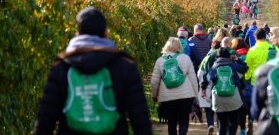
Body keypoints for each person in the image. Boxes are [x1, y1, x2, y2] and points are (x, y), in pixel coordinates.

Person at [34, 7, 152, 135]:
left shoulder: (62, 66)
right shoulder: (124, 66)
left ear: (78, 32)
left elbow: (46, 117)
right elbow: (139, 117)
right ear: (105, 32)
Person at [151, 37, 198, 135]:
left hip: (167, 97)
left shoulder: (160, 61)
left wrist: (154, 95)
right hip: (186, 96)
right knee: (184, 120)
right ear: (179, 46)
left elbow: (154, 82)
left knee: (171, 122)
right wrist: (196, 96)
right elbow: (193, 79)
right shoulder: (186, 58)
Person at [202, 48, 248, 135]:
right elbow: (245, 68)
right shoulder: (234, 66)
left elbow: (206, 79)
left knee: (222, 123)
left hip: (218, 99)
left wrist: (203, 88)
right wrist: (238, 59)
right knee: (233, 122)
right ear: (229, 55)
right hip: (234, 99)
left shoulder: (213, 67)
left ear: (217, 56)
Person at [244, 28, 278, 135]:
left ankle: (250, 120)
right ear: (265, 36)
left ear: (255, 38)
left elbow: (247, 66)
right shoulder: (274, 49)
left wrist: (246, 77)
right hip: (271, 81)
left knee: (253, 103)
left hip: (255, 81)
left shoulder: (252, 50)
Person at [198, 28, 230, 134]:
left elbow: (206, 66)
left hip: (211, 78)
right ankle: (222, 128)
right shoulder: (229, 48)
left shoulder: (213, 47)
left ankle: (212, 124)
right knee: (223, 107)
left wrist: (203, 85)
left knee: (212, 104)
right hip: (225, 78)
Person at [231, 38, 250, 135]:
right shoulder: (249, 54)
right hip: (249, 83)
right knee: (246, 108)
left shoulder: (234, 56)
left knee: (238, 109)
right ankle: (246, 125)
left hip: (238, 86)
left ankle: (240, 129)